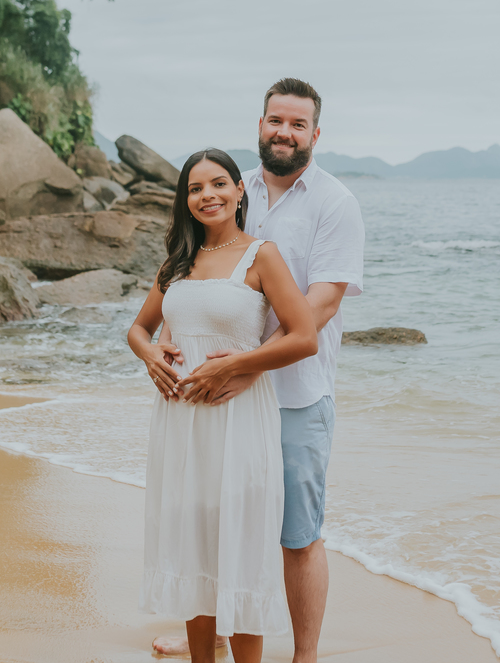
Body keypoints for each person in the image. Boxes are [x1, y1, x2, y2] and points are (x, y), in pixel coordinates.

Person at [148, 78, 366, 662]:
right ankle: (215, 630)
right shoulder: (230, 185)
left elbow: (319, 305)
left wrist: (246, 365)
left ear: (315, 134)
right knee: (216, 520)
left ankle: (304, 655)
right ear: (261, 124)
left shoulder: (335, 204)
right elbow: (193, 282)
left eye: (298, 124)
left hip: (296, 392)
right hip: (220, 398)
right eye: (276, 120)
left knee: (296, 533)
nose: (284, 132)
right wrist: (170, 339)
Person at [128, 147, 319, 663]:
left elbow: (304, 337)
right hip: (180, 424)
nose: (207, 195)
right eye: (195, 188)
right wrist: (149, 355)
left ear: (240, 191)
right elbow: (138, 328)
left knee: (241, 551)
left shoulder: (263, 255)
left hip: (239, 421)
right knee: (192, 549)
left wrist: (233, 365)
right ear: (185, 200)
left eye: (218, 184)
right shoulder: (177, 263)